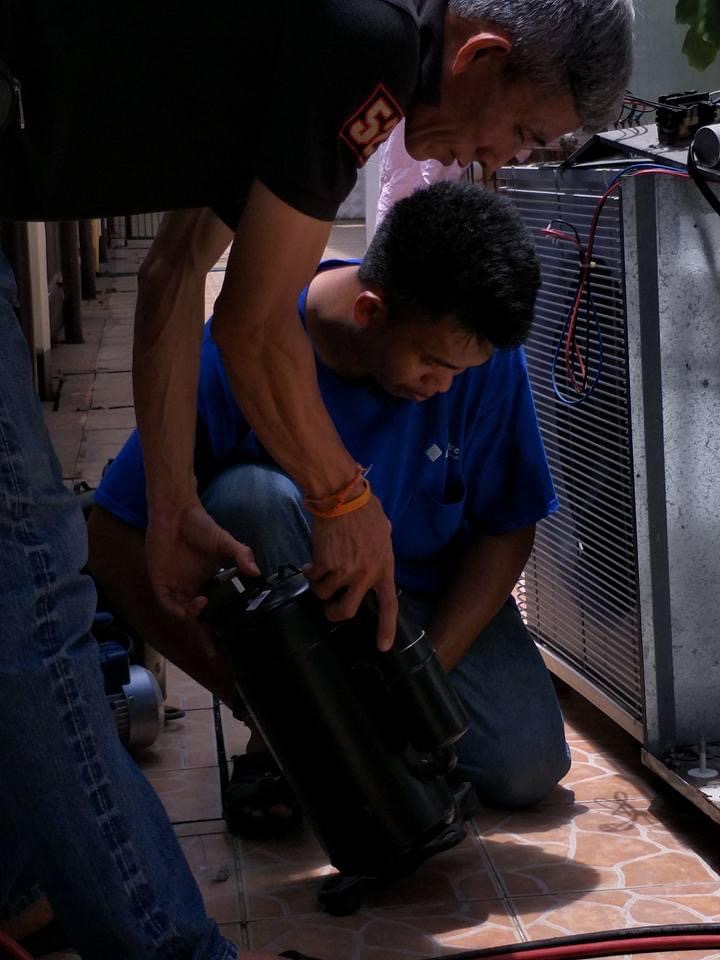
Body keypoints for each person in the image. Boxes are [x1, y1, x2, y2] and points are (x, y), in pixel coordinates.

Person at [0, 1, 632, 955]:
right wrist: (343, 498)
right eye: (524, 133)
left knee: (20, 592)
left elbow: (174, 275)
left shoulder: (307, 55)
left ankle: (19, 882)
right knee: (35, 591)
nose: (498, 163)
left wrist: (172, 506)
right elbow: (251, 326)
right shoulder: (368, 38)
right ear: (482, 57)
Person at [87, 181, 570, 826]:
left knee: (527, 764)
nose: (443, 386)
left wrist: (420, 677)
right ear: (370, 311)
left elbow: (508, 527)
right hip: (297, 611)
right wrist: (260, 702)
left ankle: (363, 742)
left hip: (421, 602)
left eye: (460, 371)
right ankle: (290, 741)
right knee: (252, 495)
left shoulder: (477, 359)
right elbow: (113, 539)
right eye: (431, 364)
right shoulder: (238, 353)